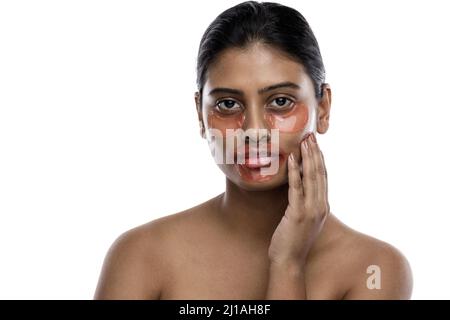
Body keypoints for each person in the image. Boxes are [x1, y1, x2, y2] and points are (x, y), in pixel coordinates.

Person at [94, 1, 413, 299]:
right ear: (199, 115)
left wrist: (288, 264)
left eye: (280, 102)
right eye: (228, 104)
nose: (254, 131)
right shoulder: (140, 256)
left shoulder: (376, 268)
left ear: (323, 108)